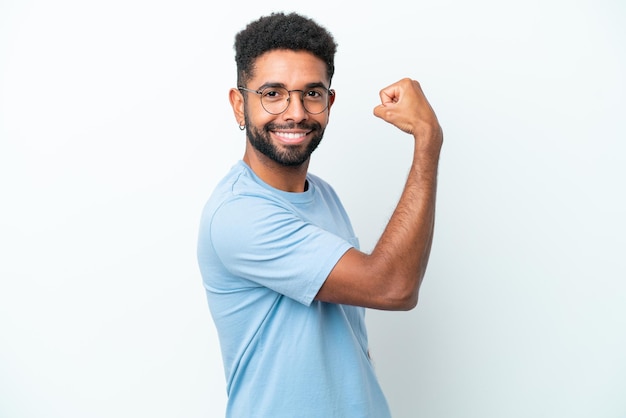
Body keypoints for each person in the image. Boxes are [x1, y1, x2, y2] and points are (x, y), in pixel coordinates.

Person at [197, 11, 443, 418]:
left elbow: (345, 334)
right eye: (272, 94)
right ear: (239, 105)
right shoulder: (237, 215)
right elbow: (392, 287)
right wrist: (428, 140)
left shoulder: (323, 195)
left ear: (329, 102)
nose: (295, 112)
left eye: (311, 93)